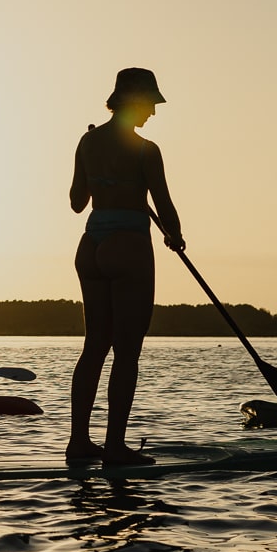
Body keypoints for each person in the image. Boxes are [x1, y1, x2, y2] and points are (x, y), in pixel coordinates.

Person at [67, 67, 185, 465]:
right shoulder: (146, 150)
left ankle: (78, 443)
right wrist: (176, 235)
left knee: (94, 347)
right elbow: (164, 204)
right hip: (129, 244)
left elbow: (76, 202)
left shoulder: (87, 141)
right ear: (135, 102)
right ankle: (115, 447)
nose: (152, 113)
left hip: (91, 244)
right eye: (150, 104)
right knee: (127, 351)